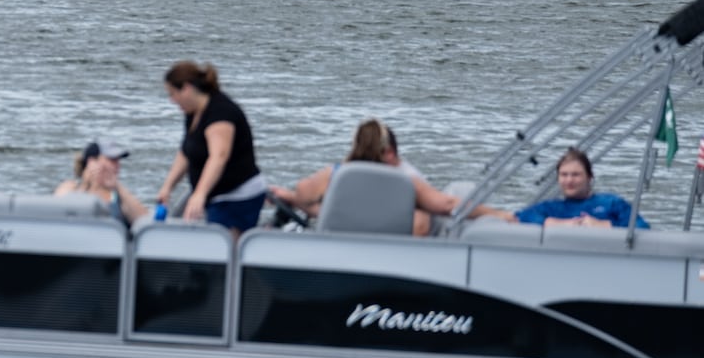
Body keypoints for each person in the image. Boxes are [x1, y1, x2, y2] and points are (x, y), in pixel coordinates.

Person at [269, 119, 513, 235]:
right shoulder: (403, 182)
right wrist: (498, 214)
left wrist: (293, 197)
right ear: (388, 151)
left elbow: (305, 192)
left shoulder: (336, 175)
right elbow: (446, 205)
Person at [156, 60, 267, 236]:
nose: (172, 101)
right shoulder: (192, 113)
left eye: (172, 94)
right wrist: (167, 187)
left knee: (221, 253)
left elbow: (219, 157)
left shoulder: (220, 112)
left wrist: (199, 194)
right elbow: (187, 152)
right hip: (215, 196)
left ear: (187, 88)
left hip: (238, 196)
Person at [515, 148, 649, 229]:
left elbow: (641, 227)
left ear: (589, 177)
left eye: (576, 175)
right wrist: (559, 224)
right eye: (564, 175)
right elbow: (518, 218)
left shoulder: (612, 203)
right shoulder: (550, 207)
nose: (569, 180)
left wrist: (603, 226)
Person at [55, 141, 148, 227]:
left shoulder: (120, 196)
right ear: (91, 162)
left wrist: (117, 186)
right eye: (112, 160)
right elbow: (58, 211)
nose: (117, 165)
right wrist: (86, 184)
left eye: (118, 160)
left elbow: (145, 222)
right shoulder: (70, 187)